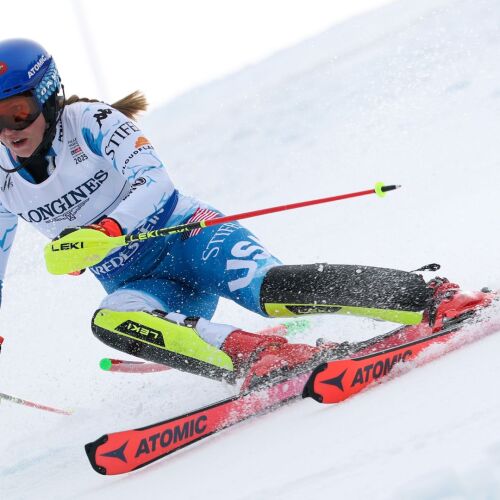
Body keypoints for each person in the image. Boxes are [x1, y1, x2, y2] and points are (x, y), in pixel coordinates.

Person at [0, 39, 489, 386]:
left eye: (18, 111)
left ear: (49, 95)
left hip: (191, 237)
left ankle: (430, 297)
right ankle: (260, 356)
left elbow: (156, 181)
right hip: (142, 283)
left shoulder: (90, 121)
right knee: (111, 321)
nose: (8, 130)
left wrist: (106, 229)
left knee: (267, 292)